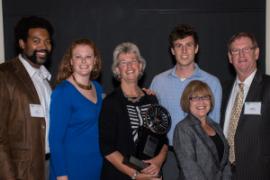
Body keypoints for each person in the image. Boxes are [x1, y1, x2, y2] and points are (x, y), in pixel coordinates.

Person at [150, 24, 222, 180]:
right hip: (166, 156)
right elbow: (152, 123)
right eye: (178, 46)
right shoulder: (158, 82)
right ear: (172, 50)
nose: (184, 51)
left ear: (196, 48)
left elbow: (214, 125)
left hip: (200, 155)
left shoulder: (212, 82)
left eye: (188, 45)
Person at [99, 42, 168, 180]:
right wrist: (135, 175)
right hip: (120, 176)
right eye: (123, 62)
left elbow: (163, 139)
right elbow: (108, 149)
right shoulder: (111, 103)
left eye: (133, 61)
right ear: (117, 69)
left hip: (151, 175)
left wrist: (158, 162)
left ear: (140, 66)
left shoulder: (151, 100)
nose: (129, 66)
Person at [0, 16, 53, 180]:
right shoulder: (5, 75)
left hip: (50, 166)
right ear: (22, 43)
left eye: (47, 41)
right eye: (36, 41)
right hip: (21, 171)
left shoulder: (48, 81)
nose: (43, 46)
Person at [49, 39, 103, 180]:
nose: (83, 61)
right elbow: (55, 139)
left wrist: (143, 93)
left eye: (88, 57)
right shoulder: (63, 92)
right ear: (71, 61)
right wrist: (61, 175)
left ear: (95, 60)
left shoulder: (97, 87)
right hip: (71, 169)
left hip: (96, 166)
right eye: (78, 57)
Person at [221, 32, 270, 179]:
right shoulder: (223, 89)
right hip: (226, 173)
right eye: (236, 51)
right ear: (230, 57)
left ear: (256, 53)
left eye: (246, 49)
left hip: (259, 172)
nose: (241, 55)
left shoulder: (268, 87)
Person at [173, 80, 231, 180]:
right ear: (187, 101)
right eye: (195, 98)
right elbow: (190, 168)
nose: (201, 102)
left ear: (210, 100)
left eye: (205, 97)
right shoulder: (183, 128)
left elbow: (225, 163)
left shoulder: (216, 126)